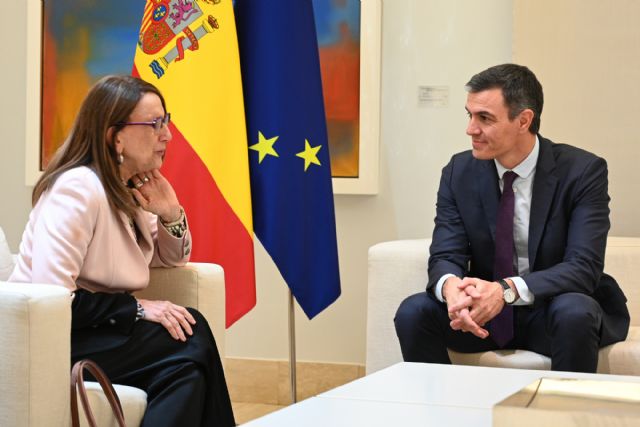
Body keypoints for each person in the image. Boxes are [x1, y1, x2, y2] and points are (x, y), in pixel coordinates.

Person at [9, 75, 235, 426]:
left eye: (166, 121)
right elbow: (51, 297)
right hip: (55, 338)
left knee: (185, 371)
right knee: (193, 336)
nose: (167, 135)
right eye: (154, 124)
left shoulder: (128, 185)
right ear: (115, 136)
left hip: (102, 330)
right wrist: (137, 307)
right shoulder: (77, 188)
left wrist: (171, 214)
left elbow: (167, 258)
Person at [394, 64, 629, 373]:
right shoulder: (458, 172)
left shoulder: (582, 172)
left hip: (551, 311)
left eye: (485, 118)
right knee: (413, 312)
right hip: (485, 317)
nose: (471, 130)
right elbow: (445, 254)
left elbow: (582, 268)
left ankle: (562, 420)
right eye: (470, 115)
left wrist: (505, 291)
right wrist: (452, 289)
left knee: (575, 311)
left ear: (524, 120)